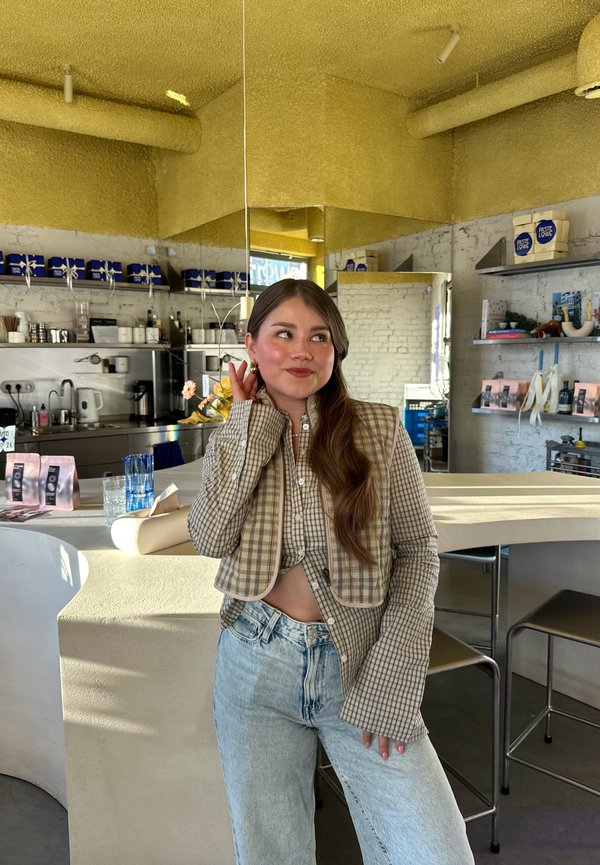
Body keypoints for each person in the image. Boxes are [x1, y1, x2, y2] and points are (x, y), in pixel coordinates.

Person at [188, 278, 474, 865]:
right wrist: (250, 428)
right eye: (283, 334)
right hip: (256, 662)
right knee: (271, 853)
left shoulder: (379, 429)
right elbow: (210, 537)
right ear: (252, 346)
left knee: (435, 851)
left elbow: (418, 548)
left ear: (335, 350)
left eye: (319, 336)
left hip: (362, 660)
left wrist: (397, 667)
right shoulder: (231, 438)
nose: (302, 350)